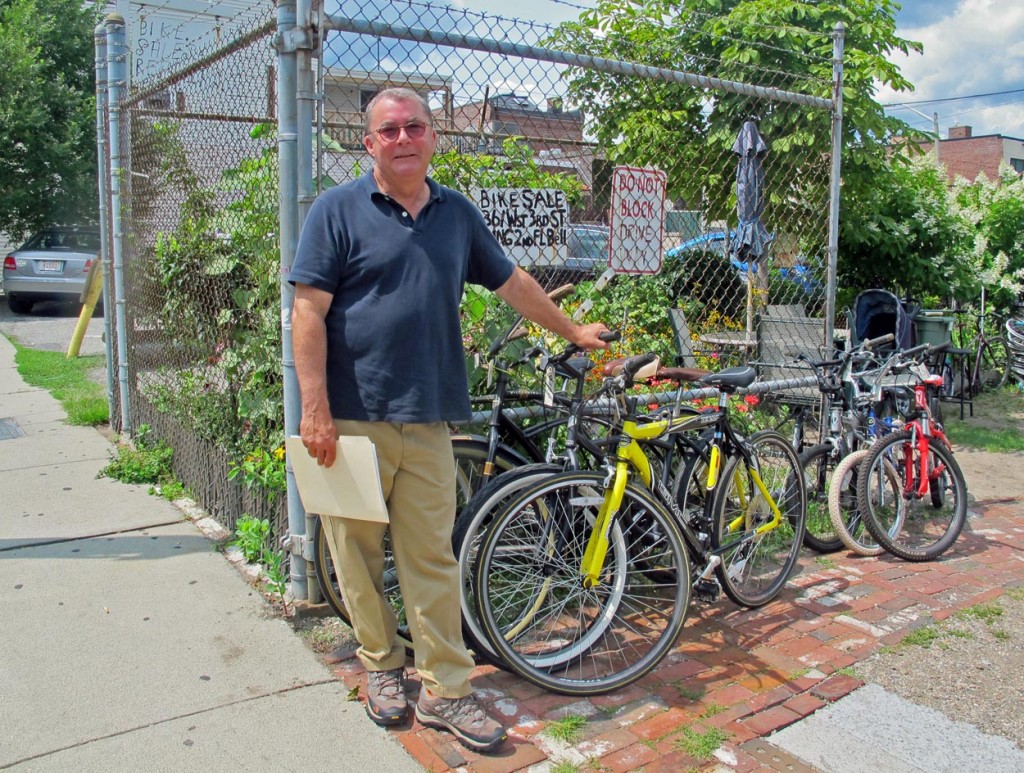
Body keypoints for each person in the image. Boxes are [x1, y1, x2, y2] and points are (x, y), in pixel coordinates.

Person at [290, 87, 609, 752]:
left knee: (430, 558)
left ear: (434, 137)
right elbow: (308, 313)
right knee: (355, 552)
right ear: (368, 142)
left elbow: (514, 282)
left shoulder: (456, 214)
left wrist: (573, 328)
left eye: (415, 127)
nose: (403, 138)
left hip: (431, 417)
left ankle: (445, 691)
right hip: (351, 420)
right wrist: (314, 408)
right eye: (389, 129)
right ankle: (380, 667)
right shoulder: (336, 211)